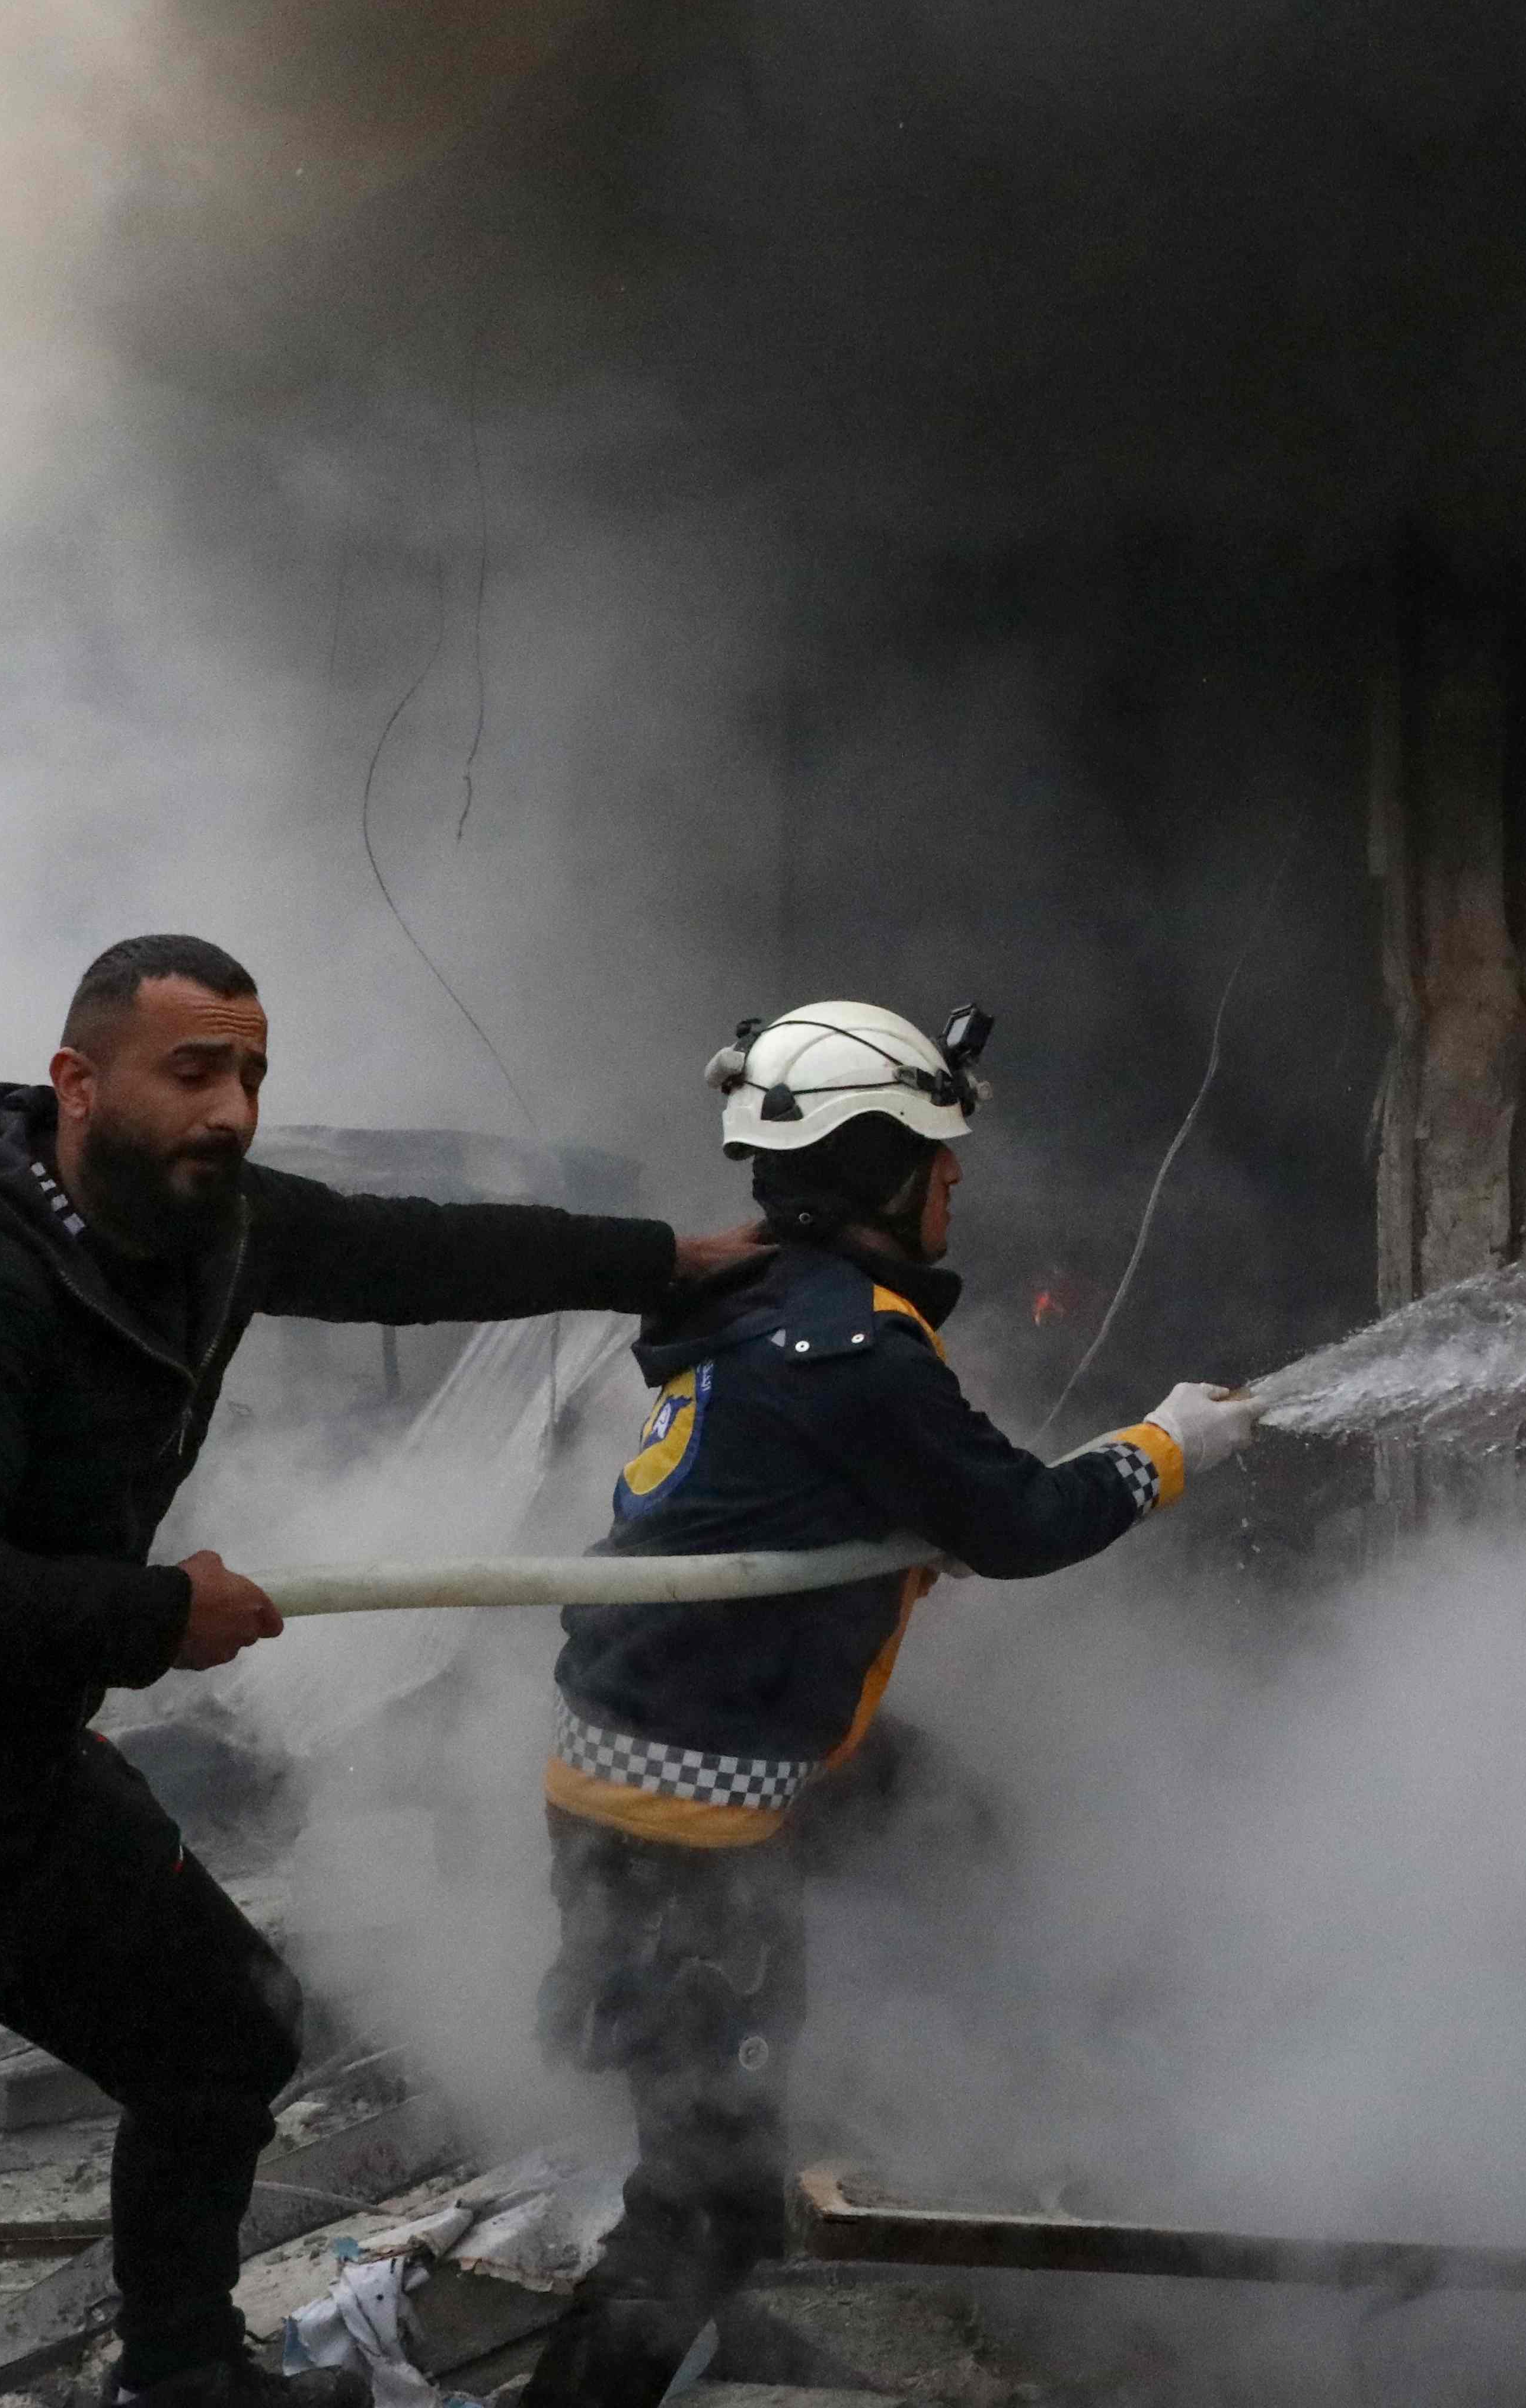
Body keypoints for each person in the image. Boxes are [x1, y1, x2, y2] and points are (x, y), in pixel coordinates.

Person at [0, 934, 774, 2408]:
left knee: (222, 2031)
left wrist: (660, 1263)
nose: (232, 1108)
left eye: (250, 1072)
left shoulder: (211, 1229)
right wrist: (158, 1611)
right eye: (194, 1070)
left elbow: (411, 1250)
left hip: (13, 1780)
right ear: (77, 1081)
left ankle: (184, 2372)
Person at [521, 999, 1255, 2408]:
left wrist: (883, 1545)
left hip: (679, 1770)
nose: (957, 1179)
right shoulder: (854, 1349)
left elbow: (779, 1492)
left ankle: (1019, 2102)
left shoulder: (748, 1296)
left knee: (959, 1827)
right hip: (690, 1829)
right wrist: (1176, 1442)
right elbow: (1025, 1519)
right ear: (879, 1166)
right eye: (938, 1152)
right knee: (709, 2208)